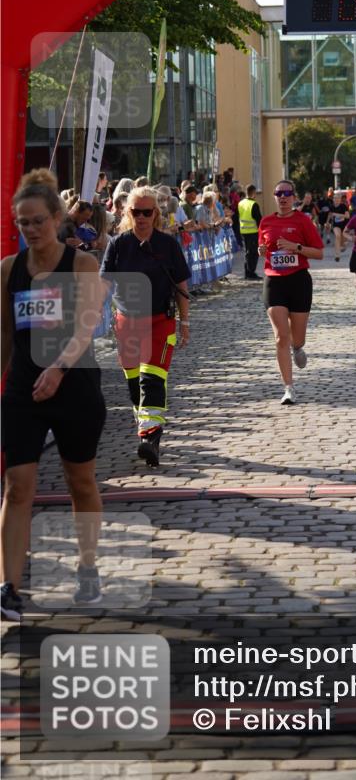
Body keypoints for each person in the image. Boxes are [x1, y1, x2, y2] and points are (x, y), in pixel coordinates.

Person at [1, 170, 106, 620]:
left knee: (79, 481)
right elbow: (5, 335)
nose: (30, 230)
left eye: (37, 221)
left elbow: (85, 326)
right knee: (17, 485)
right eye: (22, 222)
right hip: (25, 388)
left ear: (58, 218)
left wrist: (59, 369)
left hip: (75, 385)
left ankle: (87, 569)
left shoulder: (81, 265)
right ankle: (9, 587)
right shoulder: (8, 269)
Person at [100, 187, 191, 467]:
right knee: (132, 382)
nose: (141, 217)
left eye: (147, 212)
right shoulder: (118, 245)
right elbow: (104, 283)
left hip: (160, 321)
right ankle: (147, 431)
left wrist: (184, 322)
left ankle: (150, 439)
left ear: (156, 214)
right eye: (136, 212)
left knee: (151, 378)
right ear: (128, 213)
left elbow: (181, 285)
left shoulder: (168, 245)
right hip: (126, 322)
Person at [258, 180, 324, 405]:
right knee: (280, 336)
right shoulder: (266, 221)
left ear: (293, 197)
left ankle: (298, 347)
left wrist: (295, 247)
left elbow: (318, 253)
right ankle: (288, 388)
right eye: (279, 194)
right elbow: (263, 249)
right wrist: (262, 250)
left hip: (299, 281)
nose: (283, 198)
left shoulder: (303, 221)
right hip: (274, 281)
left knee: (297, 336)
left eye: (287, 194)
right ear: (274, 196)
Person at [237, 184, 262, 280]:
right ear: (254, 192)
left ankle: (247, 272)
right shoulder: (253, 204)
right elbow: (259, 219)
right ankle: (251, 272)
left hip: (243, 231)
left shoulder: (241, 203)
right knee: (253, 253)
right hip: (252, 231)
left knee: (247, 252)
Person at [329, 192, 350, 261]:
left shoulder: (343, 206)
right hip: (336, 225)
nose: (336, 200)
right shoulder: (332, 207)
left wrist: (338, 215)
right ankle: (337, 255)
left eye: (338, 198)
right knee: (337, 236)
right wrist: (327, 223)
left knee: (343, 242)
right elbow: (330, 215)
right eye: (335, 198)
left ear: (340, 200)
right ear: (333, 200)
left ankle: (343, 245)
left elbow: (347, 216)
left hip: (344, 225)